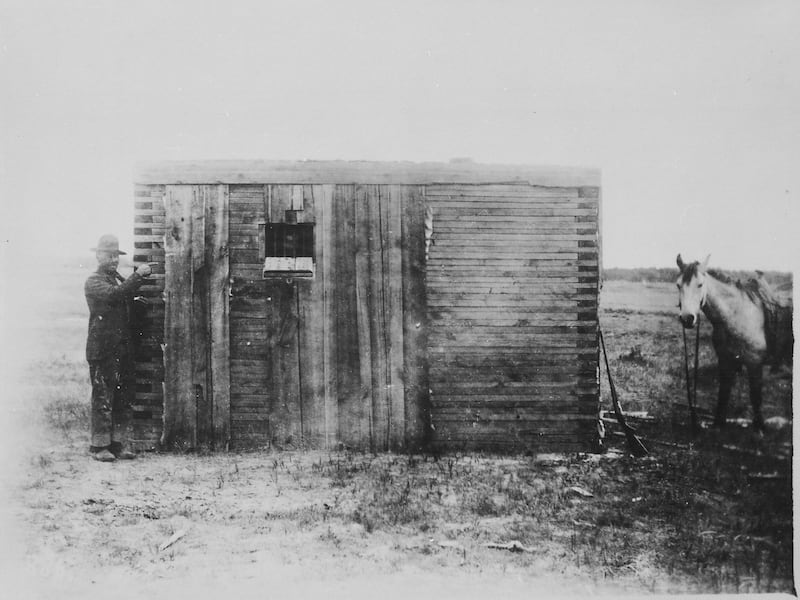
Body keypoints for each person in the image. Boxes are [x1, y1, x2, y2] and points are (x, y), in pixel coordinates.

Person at [85, 234, 152, 462]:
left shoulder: (117, 280)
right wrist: (137, 277)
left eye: (115, 255)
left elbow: (122, 300)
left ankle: (117, 444)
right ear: (98, 255)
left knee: (122, 397)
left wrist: (136, 304)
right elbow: (113, 297)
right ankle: (98, 446)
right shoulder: (94, 281)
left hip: (121, 350)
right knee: (103, 397)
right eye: (108, 255)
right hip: (102, 350)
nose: (112, 259)